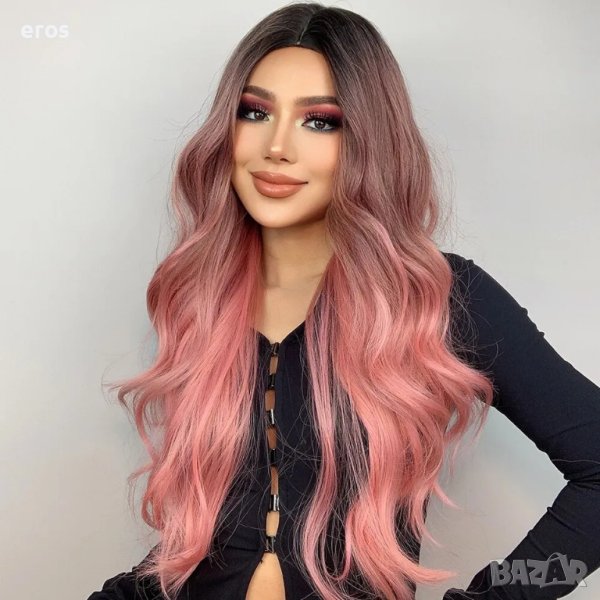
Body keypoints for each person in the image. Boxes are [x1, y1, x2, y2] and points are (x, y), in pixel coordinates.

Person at [87, 2, 600, 599]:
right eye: (255, 112)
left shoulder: (437, 299)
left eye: (319, 121)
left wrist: (502, 595)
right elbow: (213, 538)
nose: (277, 146)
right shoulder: (202, 297)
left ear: (368, 141)